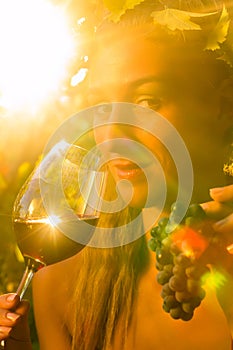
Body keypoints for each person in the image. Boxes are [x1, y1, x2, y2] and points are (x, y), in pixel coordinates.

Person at [1, 0, 233, 349]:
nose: (113, 136)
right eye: (102, 107)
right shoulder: (61, 290)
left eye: (146, 101)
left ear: (223, 104)